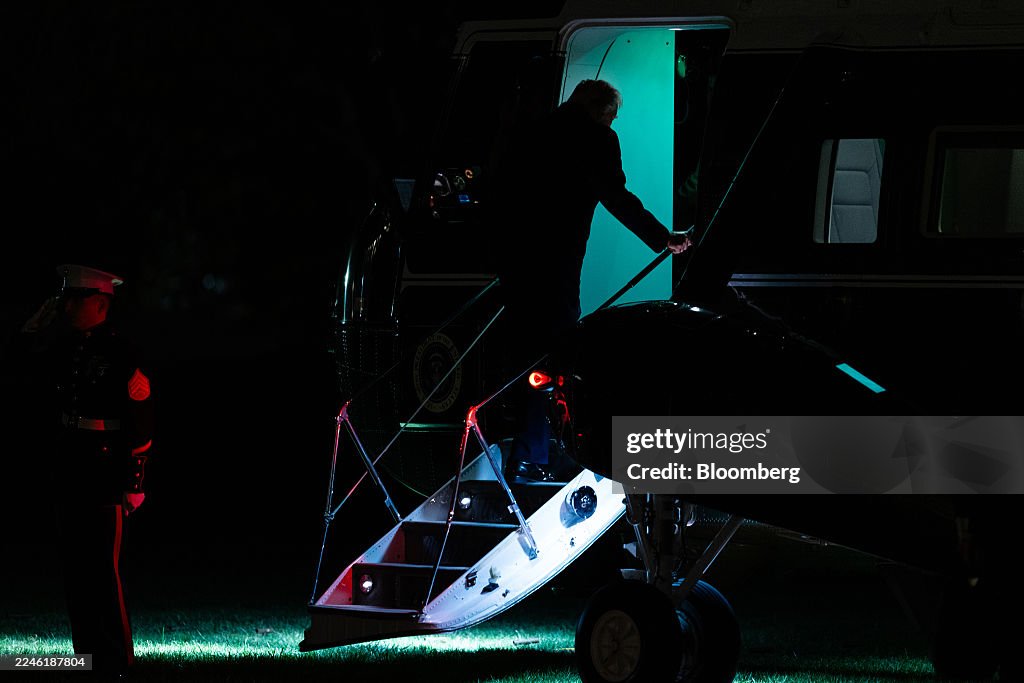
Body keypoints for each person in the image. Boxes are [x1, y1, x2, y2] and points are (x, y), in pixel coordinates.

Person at [490, 79, 692, 480]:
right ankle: (541, 454)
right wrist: (663, 238)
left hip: (517, 264)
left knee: (526, 355)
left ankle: (526, 452)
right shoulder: (597, 139)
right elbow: (617, 198)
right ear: (601, 112)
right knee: (559, 354)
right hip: (558, 265)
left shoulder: (535, 130)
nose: (612, 122)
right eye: (612, 116)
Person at [11, 264, 154, 676]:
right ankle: (85, 657)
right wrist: (31, 330)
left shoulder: (121, 352)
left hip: (103, 470)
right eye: (65, 299)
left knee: (101, 571)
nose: (67, 307)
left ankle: (117, 660)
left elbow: (141, 420)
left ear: (99, 303)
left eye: (75, 299)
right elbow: (17, 368)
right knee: (75, 571)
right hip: (69, 465)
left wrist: (133, 482)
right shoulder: (62, 348)